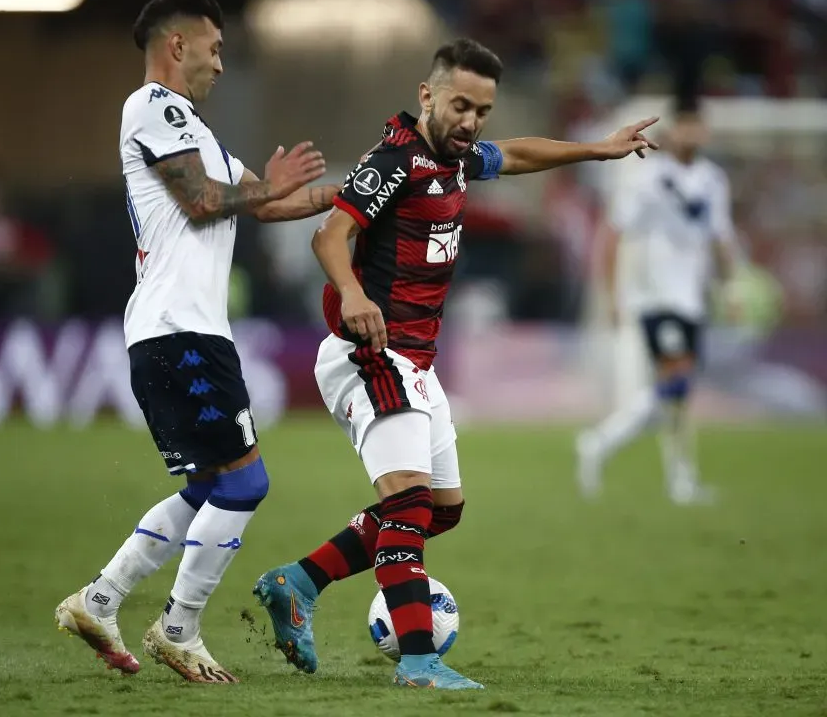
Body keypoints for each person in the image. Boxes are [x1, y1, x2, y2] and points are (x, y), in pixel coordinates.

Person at [252, 38, 659, 690]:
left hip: (416, 359)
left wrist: (598, 149)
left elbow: (519, 153)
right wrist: (353, 293)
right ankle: (418, 663)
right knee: (409, 504)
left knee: (442, 509)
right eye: (460, 105)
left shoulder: (460, 157)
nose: (471, 120)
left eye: (482, 110)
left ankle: (296, 583)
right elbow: (330, 234)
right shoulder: (394, 160)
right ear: (427, 96)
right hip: (373, 352)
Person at [55, 0, 337, 684]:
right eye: (214, 49)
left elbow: (274, 204)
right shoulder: (150, 106)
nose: (220, 63)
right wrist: (266, 187)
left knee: (211, 484)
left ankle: (101, 598)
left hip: (183, 331)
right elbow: (206, 201)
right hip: (178, 330)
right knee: (246, 483)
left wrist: (377, 183)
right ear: (177, 46)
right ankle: (178, 628)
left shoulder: (196, 131)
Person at [576, 99, 739, 504]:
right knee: (678, 380)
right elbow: (612, 234)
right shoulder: (647, 178)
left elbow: (720, 239)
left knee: (679, 395)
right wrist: (610, 294)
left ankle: (680, 480)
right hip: (654, 298)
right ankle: (599, 441)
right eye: (685, 125)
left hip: (691, 300)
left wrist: (730, 290)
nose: (692, 133)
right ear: (674, 129)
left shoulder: (713, 180)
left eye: (698, 125)